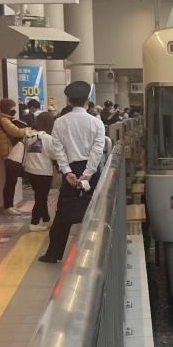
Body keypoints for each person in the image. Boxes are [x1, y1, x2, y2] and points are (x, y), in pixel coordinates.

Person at [38, 81, 106, 264]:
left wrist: (67, 171)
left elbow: (58, 149)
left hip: (70, 170)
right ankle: (95, 253)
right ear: (87, 101)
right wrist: (88, 173)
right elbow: (97, 151)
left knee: (63, 211)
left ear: (69, 101)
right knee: (95, 210)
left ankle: (53, 253)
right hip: (91, 171)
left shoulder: (60, 122)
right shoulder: (96, 123)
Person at [23, 110, 56, 230]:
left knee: (40, 195)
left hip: (30, 170)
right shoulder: (48, 138)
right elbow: (54, 155)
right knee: (41, 198)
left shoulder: (28, 136)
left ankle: (46, 219)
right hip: (44, 171)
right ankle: (34, 222)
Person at [0, 98, 31, 215]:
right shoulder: (4, 120)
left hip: (11, 154)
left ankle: (10, 205)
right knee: (10, 182)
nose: (14, 110)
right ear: (7, 108)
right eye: (12, 108)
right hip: (9, 154)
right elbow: (16, 132)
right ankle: (8, 207)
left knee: (12, 181)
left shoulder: (8, 120)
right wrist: (28, 129)